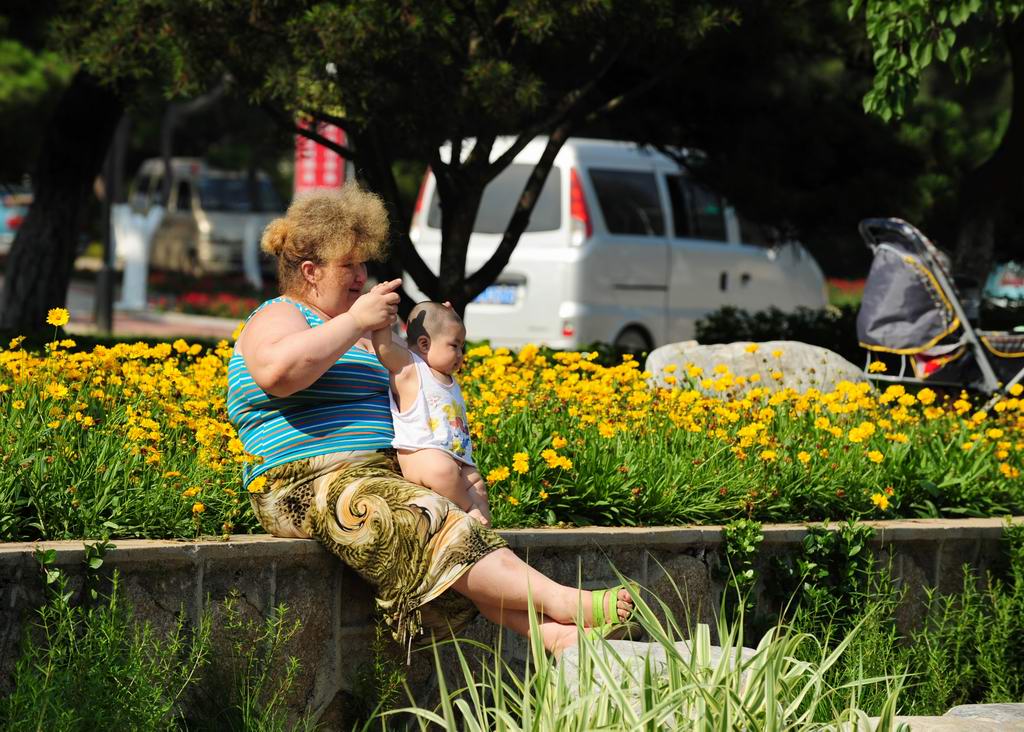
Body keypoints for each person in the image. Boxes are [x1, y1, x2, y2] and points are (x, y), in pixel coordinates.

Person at [226, 183, 636, 658]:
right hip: (303, 482)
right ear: (311, 273)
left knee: (457, 525)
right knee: (425, 517)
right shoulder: (280, 315)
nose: (362, 276)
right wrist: (357, 322)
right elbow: (279, 373)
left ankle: (555, 637)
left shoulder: (361, 332)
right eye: (349, 266)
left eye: (365, 264)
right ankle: (566, 602)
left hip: (377, 476)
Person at [371, 302, 491, 526]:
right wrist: (384, 319)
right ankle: (470, 510)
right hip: (420, 454)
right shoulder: (410, 368)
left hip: (456, 456)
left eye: (462, 347)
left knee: (477, 485)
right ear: (424, 344)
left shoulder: (448, 378)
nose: (460, 354)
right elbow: (384, 348)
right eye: (454, 346)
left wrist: (447, 315)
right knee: (443, 471)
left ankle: (483, 530)